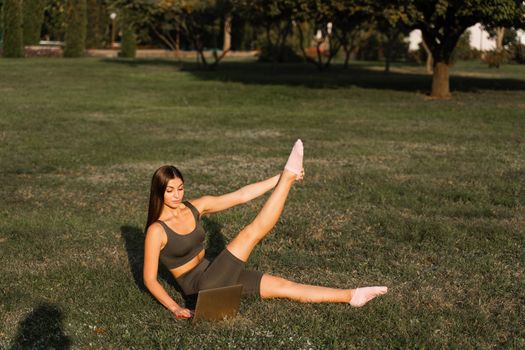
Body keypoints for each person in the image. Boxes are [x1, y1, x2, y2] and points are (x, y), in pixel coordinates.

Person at [143, 140, 387, 319]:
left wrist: (277, 178)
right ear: (159, 191)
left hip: (217, 275)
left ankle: (352, 295)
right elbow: (150, 279)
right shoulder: (157, 231)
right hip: (201, 291)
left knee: (282, 286)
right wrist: (175, 307)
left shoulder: (194, 207)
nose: (177, 195)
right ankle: (289, 179)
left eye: (180, 188)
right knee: (249, 233)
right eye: (170, 190)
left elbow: (241, 196)